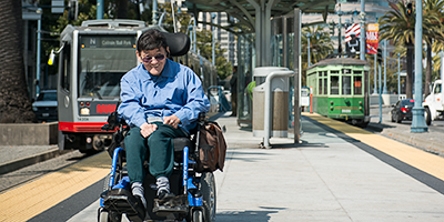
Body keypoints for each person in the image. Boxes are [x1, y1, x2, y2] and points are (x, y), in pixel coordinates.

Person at [118, 29, 210, 210]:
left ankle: (162, 187)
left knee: (157, 134)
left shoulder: (184, 74)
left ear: (167, 51)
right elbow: (128, 105)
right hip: (143, 123)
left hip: (173, 123)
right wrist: (142, 123)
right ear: (139, 56)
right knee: (133, 137)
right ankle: (137, 190)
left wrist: (180, 116)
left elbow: (200, 102)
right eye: (147, 58)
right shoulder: (130, 78)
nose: (154, 62)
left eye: (159, 57)